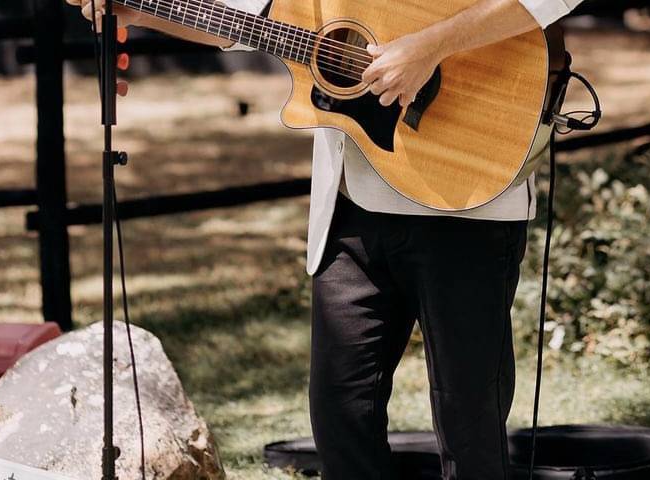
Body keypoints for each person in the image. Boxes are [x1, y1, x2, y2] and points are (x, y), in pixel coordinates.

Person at [68, 0, 584, 478]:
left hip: (470, 195)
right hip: (350, 212)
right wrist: (144, 8)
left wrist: (430, 47)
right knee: (340, 419)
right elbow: (251, 15)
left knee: (470, 426)